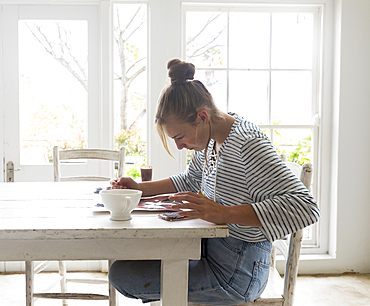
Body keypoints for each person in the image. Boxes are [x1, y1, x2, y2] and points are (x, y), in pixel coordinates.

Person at [108, 59, 320, 305]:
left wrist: (224, 213)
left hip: (239, 273)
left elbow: (306, 207)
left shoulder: (247, 144)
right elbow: (191, 178)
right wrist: (140, 189)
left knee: (123, 276)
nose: (179, 146)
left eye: (179, 136)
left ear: (202, 117)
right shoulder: (209, 140)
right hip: (209, 252)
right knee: (125, 267)